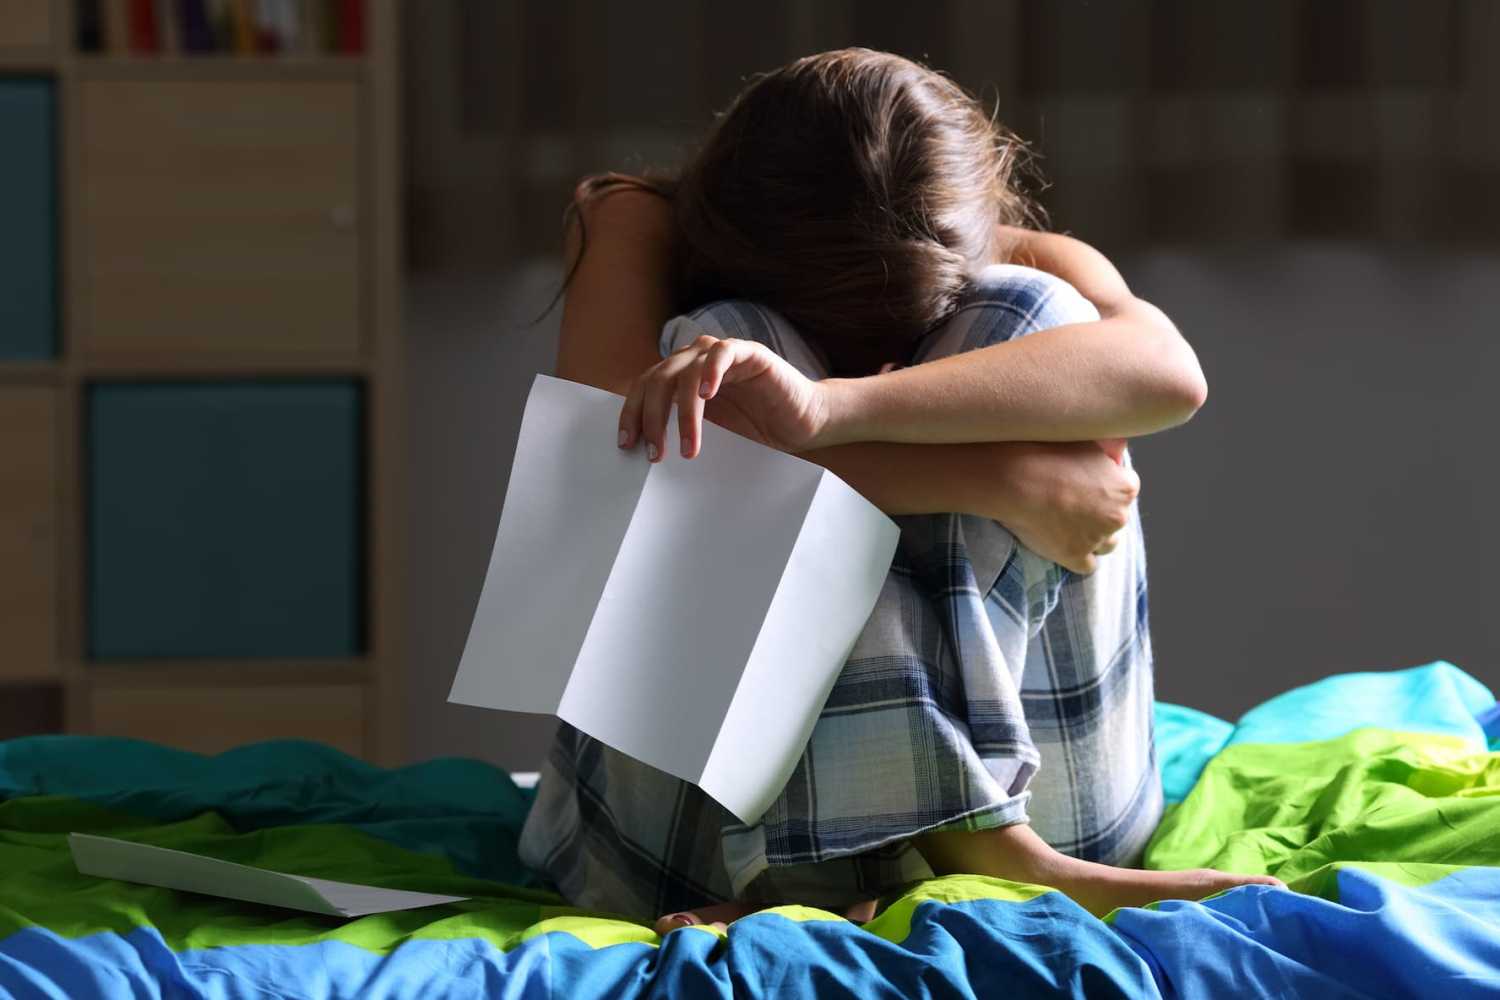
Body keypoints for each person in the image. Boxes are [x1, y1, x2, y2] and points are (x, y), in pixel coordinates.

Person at [518, 48, 1282, 935]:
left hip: (1051, 801)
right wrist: (1001, 476)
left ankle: (933, 860)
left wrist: (831, 410)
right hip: (705, 842)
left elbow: (1169, 377)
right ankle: (968, 858)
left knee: (1031, 315)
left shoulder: (1001, 249)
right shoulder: (635, 222)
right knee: (727, 345)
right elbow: (607, 463)